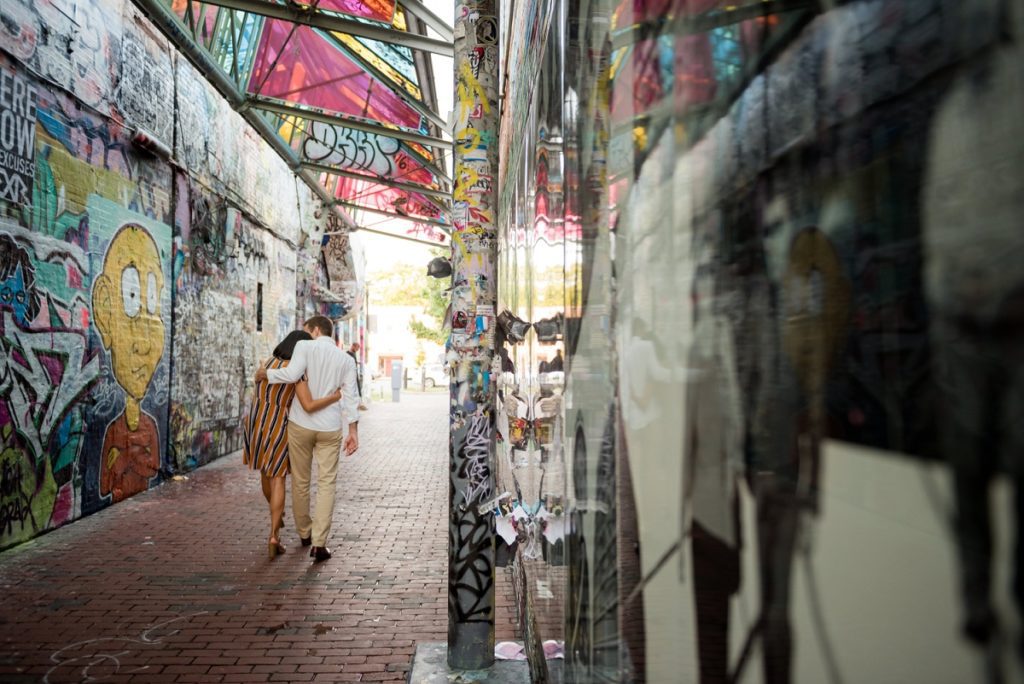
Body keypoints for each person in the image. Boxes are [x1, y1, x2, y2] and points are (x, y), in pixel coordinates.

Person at [256, 315, 359, 563]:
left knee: (301, 481)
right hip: (330, 428)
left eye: (306, 330)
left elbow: (291, 374)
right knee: (327, 484)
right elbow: (352, 397)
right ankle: (319, 543)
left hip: (300, 424)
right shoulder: (345, 359)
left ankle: (304, 533)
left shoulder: (303, 346)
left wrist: (265, 374)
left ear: (314, 330)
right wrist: (353, 431)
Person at [243, 330, 341, 559]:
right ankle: (274, 535)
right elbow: (308, 404)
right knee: (278, 479)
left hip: (256, 421)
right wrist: (335, 397)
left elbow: (258, 383)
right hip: (278, 425)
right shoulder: (296, 372)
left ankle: (276, 516)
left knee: (265, 474)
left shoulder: (267, 362)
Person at [347, 342, 367, 410]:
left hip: (355, 373)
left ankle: (359, 403)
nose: (357, 350)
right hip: (350, 375)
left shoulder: (353, 353)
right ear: (353, 346)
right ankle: (355, 405)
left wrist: (357, 363)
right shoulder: (347, 354)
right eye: (357, 348)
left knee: (358, 388)